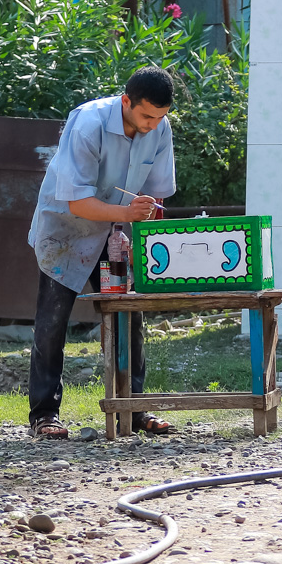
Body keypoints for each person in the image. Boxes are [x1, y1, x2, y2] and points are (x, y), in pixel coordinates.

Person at [26, 67, 178, 439]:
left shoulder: (160, 127)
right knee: (52, 323)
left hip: (115, 235)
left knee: (129, 317)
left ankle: (133, 408)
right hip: (65, 232)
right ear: (126, 101)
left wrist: (147, 241)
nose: (152, 125)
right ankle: (44, 415)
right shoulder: (87, 123)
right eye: (146, 116)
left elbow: (157, 196)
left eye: (160, 117)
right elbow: (77, 202)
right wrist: (127, 214)